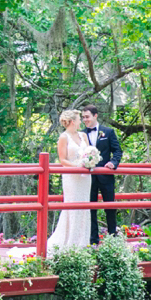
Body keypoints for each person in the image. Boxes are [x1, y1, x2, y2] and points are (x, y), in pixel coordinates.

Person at [46, 109, 92, 254]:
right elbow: (62, 159)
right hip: (72, 177)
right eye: (79, 119)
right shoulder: (64, 137)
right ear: (73, 121)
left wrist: (90, 161)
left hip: (85, 178)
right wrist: (77, 166)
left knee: (84, 207)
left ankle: (82, 243)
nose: (81, 121)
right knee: (72, 207)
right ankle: (69, 242)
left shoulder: (83, 135)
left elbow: (90, 152)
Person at [81, 105, 123, 245]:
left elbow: (117, 151)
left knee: (110, 207)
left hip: (106, 176)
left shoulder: (108, 132)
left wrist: (113, 163)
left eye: (87, 117)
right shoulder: (81, 135)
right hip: (88, 177)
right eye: (83, 117)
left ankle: (113, 239)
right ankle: (93, 240)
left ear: (95, 116)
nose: (84, 120)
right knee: (90, 209)